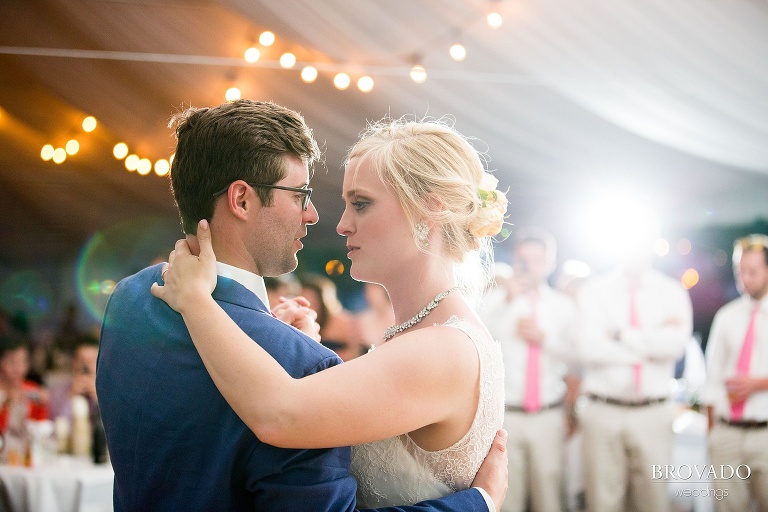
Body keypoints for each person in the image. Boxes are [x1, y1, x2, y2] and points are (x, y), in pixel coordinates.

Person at [96, 100, 507, 512]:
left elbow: (280, 413)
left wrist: (198, 303)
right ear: (241, 200)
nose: (337, 223)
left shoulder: (131, 298)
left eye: (361, 204)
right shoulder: (335, 353)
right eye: (302, 195)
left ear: (430, 208)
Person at [576, 234, 692, 512]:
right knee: (602, 502)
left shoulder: (672, 291)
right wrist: (651, 345)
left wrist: (620, 334)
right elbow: (589, 349)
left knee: (653, 501)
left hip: (653, 412)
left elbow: (675, 346)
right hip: (603, 410)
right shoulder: (594, 291)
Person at [480, 227, 577, 512]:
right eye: (524, 259)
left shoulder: (563, 306)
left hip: (548, 413)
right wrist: (507, 300)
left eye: (537, 259)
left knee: (550, 494)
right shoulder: (496, 302)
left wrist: (546, 339)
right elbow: (480, 340)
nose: (530, 266)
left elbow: (578, 358)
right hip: (506, 416)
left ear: (549, 262)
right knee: (507, 498)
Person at [701, 234, 768, 511]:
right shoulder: (727, 316)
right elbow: (712, 377)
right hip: (727, 432)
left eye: (752, 271)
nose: (745, 279)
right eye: (740, 271)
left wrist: (760, 383)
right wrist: (712, 431)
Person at [0, 333, 48, 463]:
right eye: (12, 362)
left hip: (25, 457)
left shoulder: (32, 391)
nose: (18, 368)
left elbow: (41, 428)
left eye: (23, 362)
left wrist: (41, 406)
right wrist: (6, 404)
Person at [300, 273, 365, 361]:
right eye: (304, 300)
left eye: (312, 301)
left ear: (322, 301)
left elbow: (356, 351)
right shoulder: (300, 322)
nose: (308, 306)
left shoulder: (342, 321)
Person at [356, 282, 395, 349]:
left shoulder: (398, 315)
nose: (370, 296)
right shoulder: (362, 320)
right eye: (368, 292)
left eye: (374, 291)